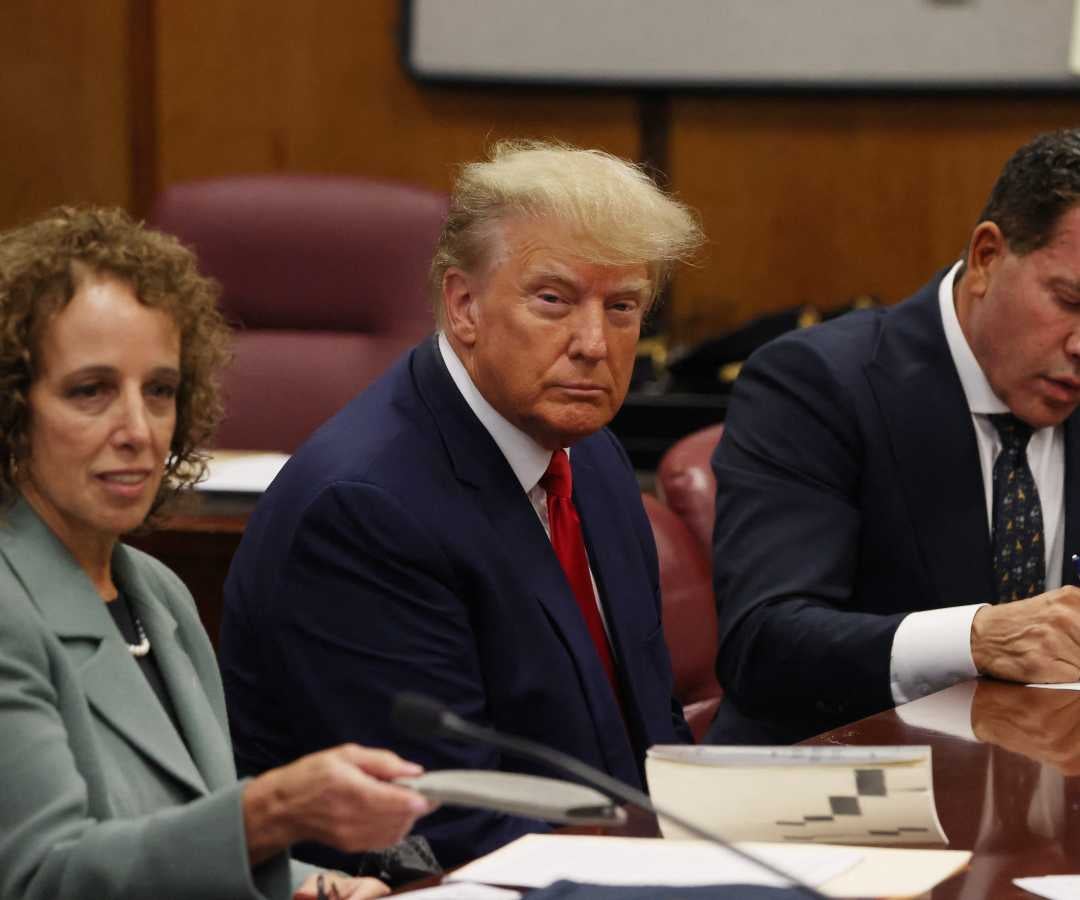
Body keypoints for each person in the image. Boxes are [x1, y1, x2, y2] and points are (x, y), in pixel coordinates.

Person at [220, 140, 703, 868]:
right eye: (553, 300)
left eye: (622, 307)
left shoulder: (592, 457)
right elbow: (443, 827)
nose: (594, 343)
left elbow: (650, 738)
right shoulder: (365, 512)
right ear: (464, 305)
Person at [0, 207, 432, 900]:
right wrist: (269, 814)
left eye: (160, 391)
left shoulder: (158, 594)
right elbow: (42, 879)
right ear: (12, 410)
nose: (139, 430)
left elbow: (183, 851)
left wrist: (315, 883)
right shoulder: (8, 610)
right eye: (91, 391)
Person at [707, 129, 1080, 746]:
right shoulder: (815, 383)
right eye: (1069, 300)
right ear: (987, 258)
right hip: (838, 780)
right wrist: (973, 639)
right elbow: (764, 643)